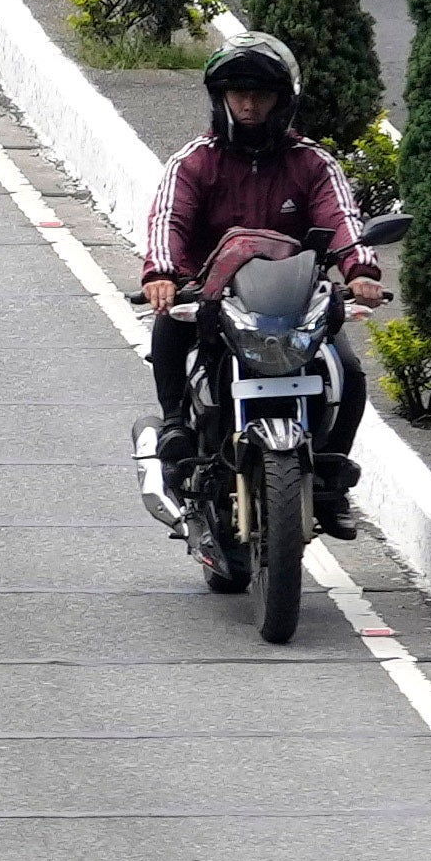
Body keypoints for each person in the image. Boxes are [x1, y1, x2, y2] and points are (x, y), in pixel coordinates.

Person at [140, 31, 373, 534]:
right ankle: (176, 429)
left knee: (350, 374)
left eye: (260, 94)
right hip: (212, 297)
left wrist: (361, 270)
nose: (247, 105)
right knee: (167, 329)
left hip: (292, 301)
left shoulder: (312, 163)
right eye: (237, 93)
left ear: (282, 101)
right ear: (220, 98)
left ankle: (330, 479)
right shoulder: (194, 162)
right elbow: (169, 221)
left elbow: (343, 217)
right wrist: (161, 272)